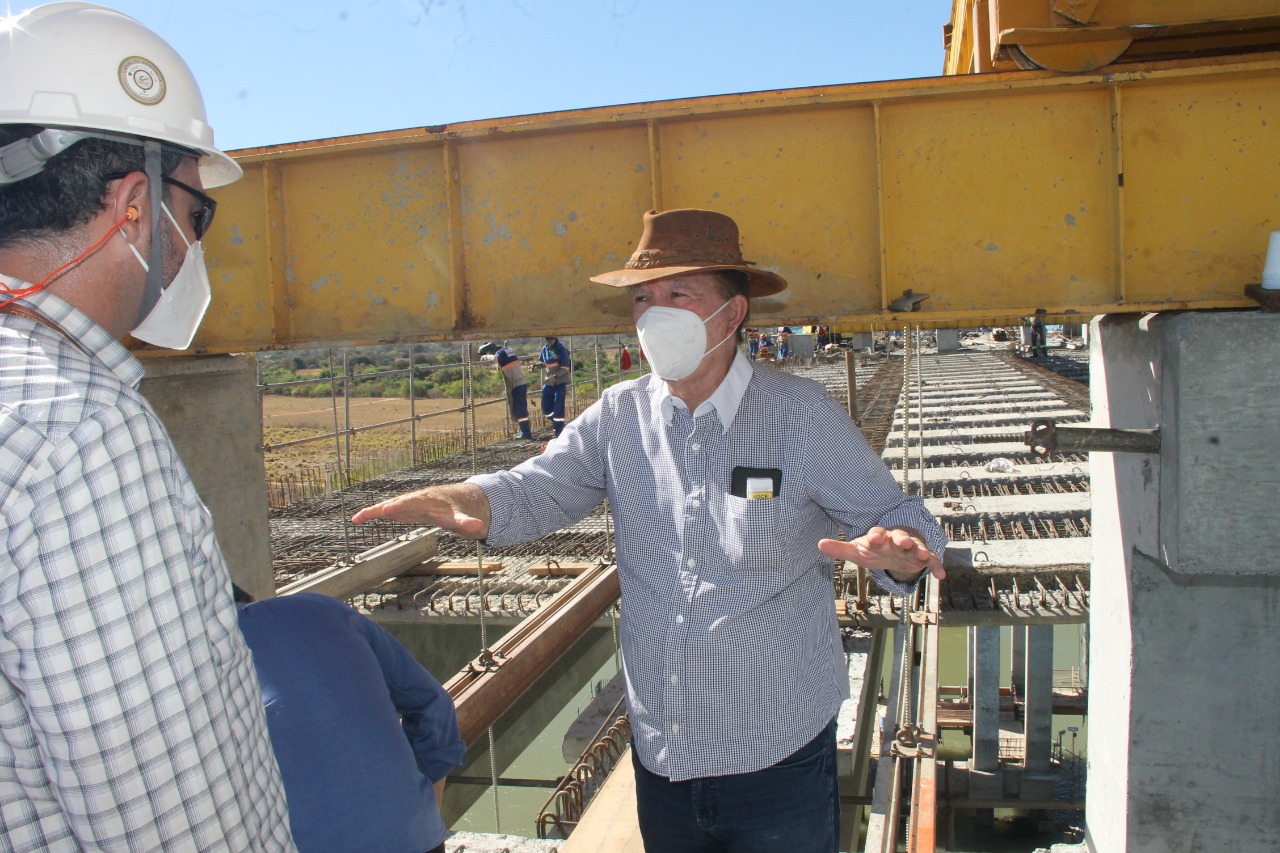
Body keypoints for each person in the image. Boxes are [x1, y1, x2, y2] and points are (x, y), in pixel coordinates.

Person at [350, 208, 947, 853]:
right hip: (663, 758)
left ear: (734, 313)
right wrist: (468, 500)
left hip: (778, 759)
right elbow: (542, 487)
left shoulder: (799, 416)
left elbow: (904, 524)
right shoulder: (620, 417)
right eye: (642, 298)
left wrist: (900, 555)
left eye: (678, 295)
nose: (654, 313)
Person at [0, 4, 296, 850]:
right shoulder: (76, 432)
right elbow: (178, 823)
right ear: (133, 204)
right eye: (195, 213)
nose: (191, 244)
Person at [234, 589, 466, 853]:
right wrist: (422, 811)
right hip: (415, 837)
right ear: (253, 599)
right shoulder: (325, 608)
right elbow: (433, 703)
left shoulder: (200, 663)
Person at [478, 340, 533, 439]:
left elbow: (495, 359)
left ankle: (526, 432)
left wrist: (485, 357)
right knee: (521, 408)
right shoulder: (507, 350)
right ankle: (525, 430)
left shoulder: (500, 353)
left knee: (519, 409)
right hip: (521, 382)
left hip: (516, 384)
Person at [539, 334, 572, 437]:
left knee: (558, 406)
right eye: (547, 338)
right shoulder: (544, 349)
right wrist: (536, 366)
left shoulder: (562, 350)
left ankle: (558, 431)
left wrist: (556, 375)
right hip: (549, 382)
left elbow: (565, 367)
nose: (549, 340)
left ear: (555, 338)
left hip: (559, 382)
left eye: (551, 338)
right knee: (545, 406)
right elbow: (543, 363)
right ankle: (557, 423)